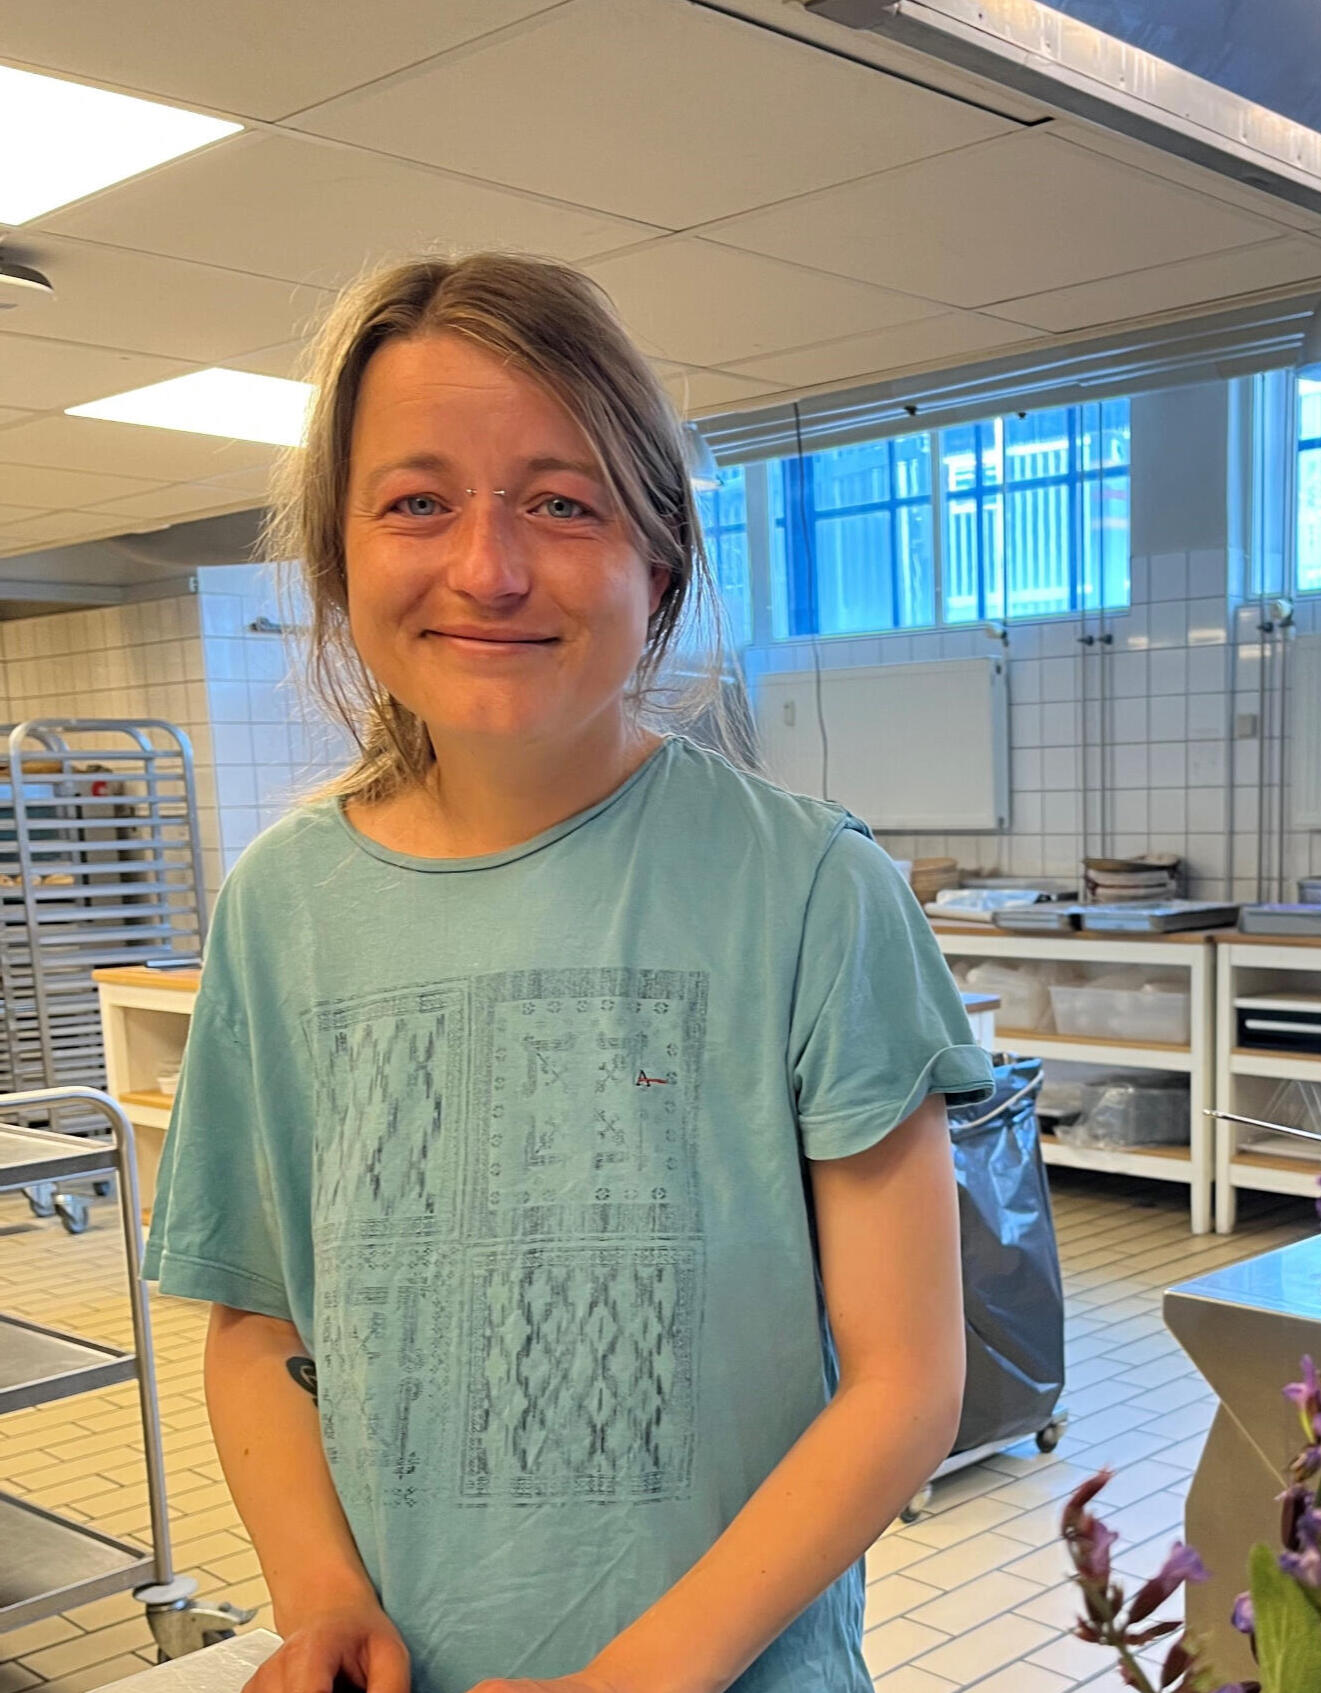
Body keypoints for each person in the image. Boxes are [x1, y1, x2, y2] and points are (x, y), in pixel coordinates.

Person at [142, 253, 993, 1693]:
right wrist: (320, 1594)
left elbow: (907, 1381)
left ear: (657, 560)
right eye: (418, 503)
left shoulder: (806, 889)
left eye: (563, 502)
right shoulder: (281, 910)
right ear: (339, 561)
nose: (489, 568)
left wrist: (641, 1676)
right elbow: (262, 1318)